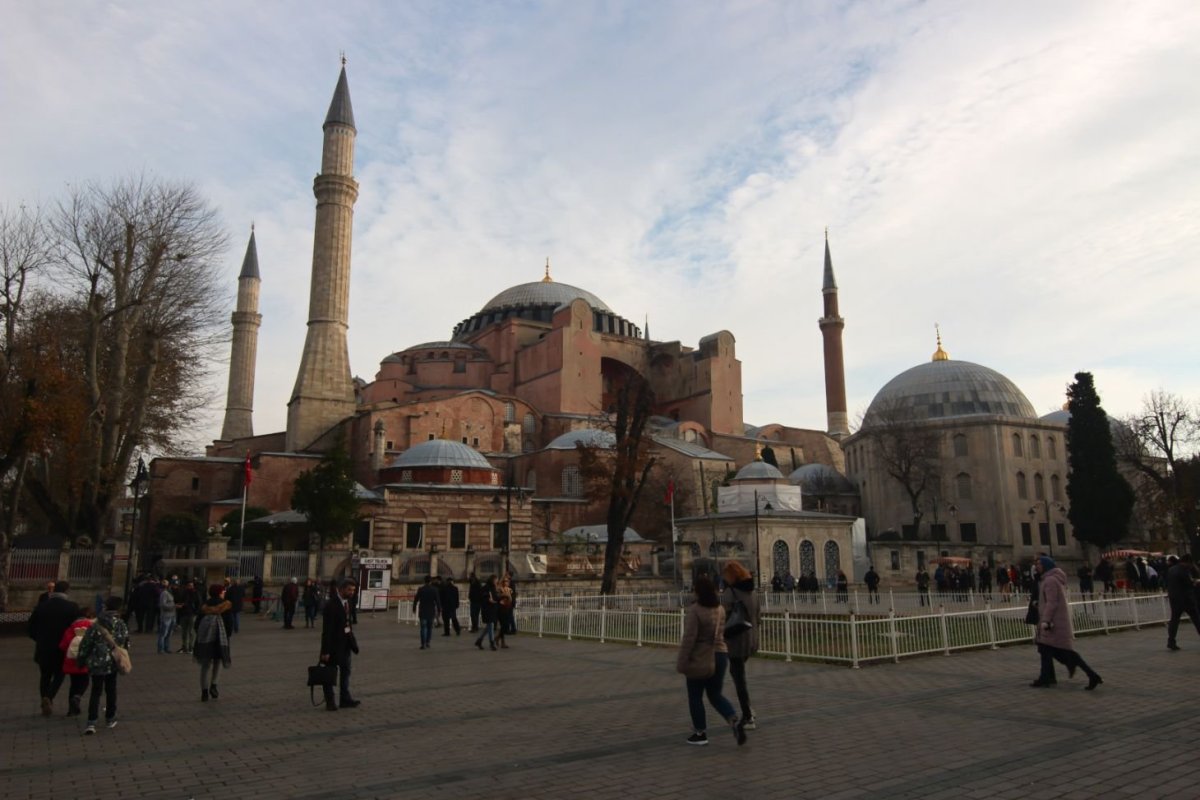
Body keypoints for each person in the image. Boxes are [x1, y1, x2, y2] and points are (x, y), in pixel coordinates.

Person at [677, 575, 746, 747]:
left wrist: (682, 660)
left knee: (695, 696)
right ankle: (733, 719)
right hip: (720, 654)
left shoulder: (696, 610)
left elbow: (689, 638)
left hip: (700, 656)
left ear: (698, 591)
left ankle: (700, 733)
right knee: (715, 694)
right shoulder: (720, 609)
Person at [1030, 556, 1102, 690]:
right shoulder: (1050, 579)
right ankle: (1047, 677)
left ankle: (1091, 675)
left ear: (1046, 566)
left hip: (1054, 622)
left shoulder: (1050, 580)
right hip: (1055, 620)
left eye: (1039, 564)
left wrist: (1046, 620)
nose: (1037, 566)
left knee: (1061, 652)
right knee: (1048, 650)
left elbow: (1052, 602)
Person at [75, 595, 129, 734]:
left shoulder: (96, 624)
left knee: (96, 691)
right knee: (111, 689)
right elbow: (125, 643)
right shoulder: (121, 624)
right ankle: (110, 717)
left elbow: (86, 644)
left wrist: (81, 660)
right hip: (112, 661)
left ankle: (91, 721)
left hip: (97, 661)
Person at [28, 579, 80, 716]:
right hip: (62, 648)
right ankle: (49, 697)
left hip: (43, 647)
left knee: (45, 675)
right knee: (60, 674)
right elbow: (77, 628)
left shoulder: (41, 606)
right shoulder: (72, 607)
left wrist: (39, 639)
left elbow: (30, 628)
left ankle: (44, 698)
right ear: (67, 591)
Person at [720, 561, 759, 730]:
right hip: (751, 639)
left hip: (736, 640)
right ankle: (748, 708)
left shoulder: (731, 593)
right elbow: (758, 616)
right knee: (738, 673)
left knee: (739, 679)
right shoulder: (753, 593)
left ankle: (748, 716)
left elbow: (723, 617)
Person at [320, 578, 361, 711]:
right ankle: (330, 701)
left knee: (345, 672)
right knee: (330, 674)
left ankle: (345, 698)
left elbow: (347, 625)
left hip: (345, 645)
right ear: (341, 589)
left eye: (353, 590)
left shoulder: (347, 603)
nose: (352, 592)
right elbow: (327, 631)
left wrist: (353, 643)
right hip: (333, 646)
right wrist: (325, 651)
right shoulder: (331, 605)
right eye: (349, 590)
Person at [194, 584, 232, 701]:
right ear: (220, 592)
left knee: (205, 665)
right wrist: (227, 636)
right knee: (218, 662)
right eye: (223, 590)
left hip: (205, 640)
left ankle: (204, 692)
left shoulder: (204, 606)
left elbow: (197, 624)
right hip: (220, 639)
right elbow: (229, 624)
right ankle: (214, 686)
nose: (224, 592)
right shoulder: (226, 605)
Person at [58, 605, 96, 717]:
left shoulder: (71, 628)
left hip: (71, 660)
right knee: (84, 681)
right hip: (85, 660)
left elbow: (63, 645)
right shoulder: (92, 627)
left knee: (73, 684)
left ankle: (71, 710)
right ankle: (77, 697)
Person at [1165, 554, 1200, 651]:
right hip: (1186, 600)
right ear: (1188, 562)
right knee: (1197, 619)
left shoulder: (1171, 569)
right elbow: (1189, 584)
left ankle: (1171, 641)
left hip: (1174, 599)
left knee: (1174, 621)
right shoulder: (1184, 571)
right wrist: (1195, 582)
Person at [412, 575, 441, 650]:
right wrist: (439, 610)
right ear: (430, 581)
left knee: (423, 628)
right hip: (431, 611)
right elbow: (437, 601)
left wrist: (414, 608)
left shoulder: (421, 589)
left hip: (423, 611)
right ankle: (428, 642)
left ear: (424, 581)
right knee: (429, 628)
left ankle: (423, 643)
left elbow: (416, 599)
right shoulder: (434, 590)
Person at [474, 576, 499, 651]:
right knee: (490, 625)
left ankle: (479, 640)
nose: (496, 582)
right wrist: (489, 600)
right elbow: (483, 598)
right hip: (487, 609)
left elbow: (495, 598)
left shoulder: (493, 588)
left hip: (492, 608)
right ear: (492, 580)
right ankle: (492, 643)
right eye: (495, 580)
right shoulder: (486, 588)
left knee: (489, 626)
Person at [176, 579, 200, 654]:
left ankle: (191, 647)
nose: (190, 587)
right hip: (184, 614)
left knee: (191, 632)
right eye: (189, 585)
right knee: (184, 632)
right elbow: (179, 602)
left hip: (192, 614)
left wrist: (196, 612)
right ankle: (184, 647)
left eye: (191, 585)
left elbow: (199, 603)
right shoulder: (183, 593)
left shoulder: (196, 593)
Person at [157, 579, 177, 654]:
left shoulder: (170, 594)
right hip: (166, 616)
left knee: (169, 633)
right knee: (163, 633)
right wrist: (174, 606)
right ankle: (160, 649)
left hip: (172, 615)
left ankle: (166, 647)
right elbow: (162, 605)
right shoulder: (164, 594)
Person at [496, 575, 514, 648]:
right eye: (505, 581)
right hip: (501, 608)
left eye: (508, 581)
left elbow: (511, 598)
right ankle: (502, 642)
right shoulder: (500, 589)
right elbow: (498, 597)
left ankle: (498, 638)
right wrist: (504, 595)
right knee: (503, 625)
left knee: (506, 625)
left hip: (508, 608)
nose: (507, 582)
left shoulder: (510, 590)